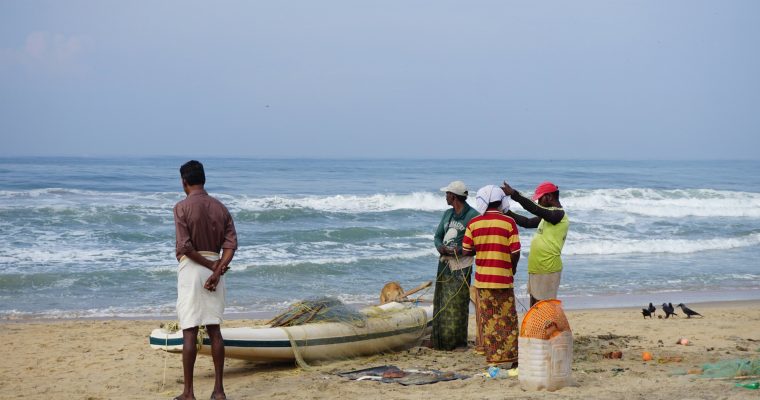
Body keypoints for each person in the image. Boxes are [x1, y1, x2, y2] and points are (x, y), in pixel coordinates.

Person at [173, 160, 238, 400]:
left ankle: (189, 393)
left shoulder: (181, 207)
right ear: (204, 180)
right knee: (215, 331)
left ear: (184, 182)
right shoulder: (221, 208)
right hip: (215, 269)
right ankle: (219, 391)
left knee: (189, 331)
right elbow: (231, 245)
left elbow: (185, 246)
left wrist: (212, 267)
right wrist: (217, 269)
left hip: (192, 269)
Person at [461, 185, 521, 366]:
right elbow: (516, 251)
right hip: (503, 279)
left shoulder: (473, 223)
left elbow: (466, 251)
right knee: (507, 319)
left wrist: (482, 248)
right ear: (500, 201)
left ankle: (493, 358)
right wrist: (513, 268)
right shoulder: (509, 222)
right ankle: (509, 357)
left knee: (488, 320)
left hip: (483, 280)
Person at [501, 180, 568, 307]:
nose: (538, 202)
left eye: (540, 199)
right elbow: (526, 222)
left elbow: (535, 208)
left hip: (548, 269)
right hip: (538, 269)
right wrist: (507, 213)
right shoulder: (548, 218)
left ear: (549, 197)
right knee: (535, 309)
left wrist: (514, 194)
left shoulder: (558, 215)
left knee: (544, 310)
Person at [431, 180, 480, 350]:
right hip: (444, 264)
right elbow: (437, 236)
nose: (445, 196)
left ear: (453, 196)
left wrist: (459, 251)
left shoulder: (473, 216)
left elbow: (478, 244)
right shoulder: (447, 214)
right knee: (442, 302)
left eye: (447, 194)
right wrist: (440, 247)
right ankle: (441, 342)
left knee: (457, 303)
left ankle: (457, 343)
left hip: (461, 266)